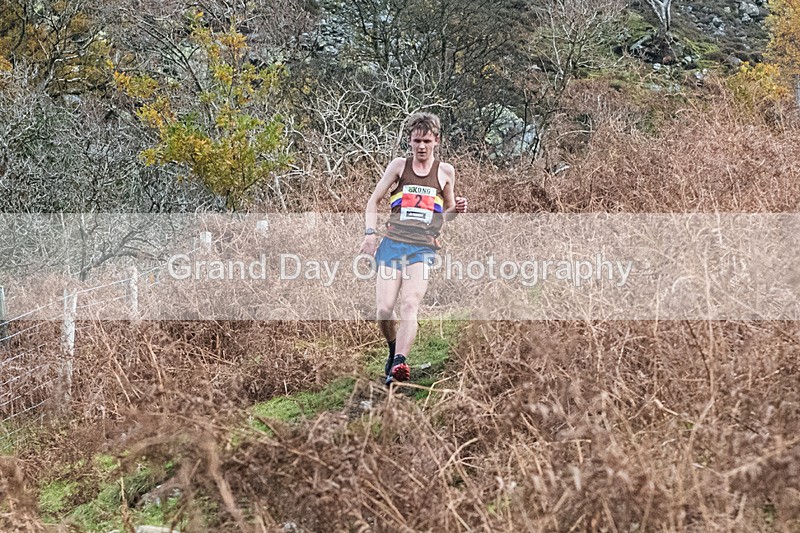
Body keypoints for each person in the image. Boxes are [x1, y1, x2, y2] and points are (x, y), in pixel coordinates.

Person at [359, 112, 468, 385]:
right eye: (417, 141)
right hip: (393, 243)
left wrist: (457, 209)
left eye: (427, 141)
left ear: (436, 141)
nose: (421, 146)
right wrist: (370, 235)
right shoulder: (399, 166)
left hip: (422, 248)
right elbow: (373, 202)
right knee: (384, 309)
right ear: (410, 141)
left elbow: (446, 214)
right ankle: (393, 347)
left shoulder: (445, 172)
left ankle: (400, 364)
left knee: (409, 303)